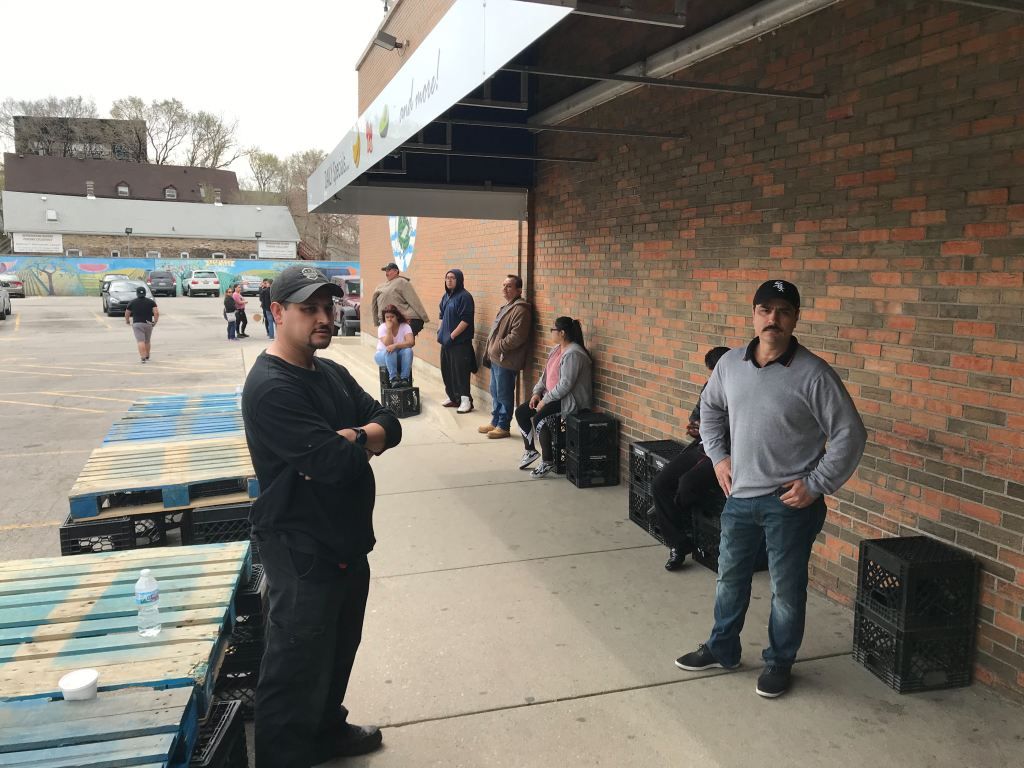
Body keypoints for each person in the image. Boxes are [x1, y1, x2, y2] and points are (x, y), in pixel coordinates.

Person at [241, 265, 402, 767]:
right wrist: (354, 441)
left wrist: (353, 436)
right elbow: (330, 463)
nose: (323, 317)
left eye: (327, 307)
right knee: (295, 665)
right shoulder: (271, 387)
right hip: (301, 547)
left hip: (346, 541)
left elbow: (390, 423)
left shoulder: (328, 371)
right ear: (277, 312)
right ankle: (283, 756)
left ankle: (327, 729)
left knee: (337, 650)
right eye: (308, 308)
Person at [675, 280, 866, 699]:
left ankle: (779, 662)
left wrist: (817, 485)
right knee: (729, 579)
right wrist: (718, 457)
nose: (772, 318)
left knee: (786, 589)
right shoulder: (729, 365)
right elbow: (710, 409)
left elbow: (850, 434)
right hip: (739, 496)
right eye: (765, 309)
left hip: (789, 504)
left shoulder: (814, 374)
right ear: (754, 315)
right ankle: (723, 647)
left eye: (782, 311)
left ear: (795, 318)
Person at [652, 346, 730, 571]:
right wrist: (695, 427)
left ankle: (665, 513)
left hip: (725, 454)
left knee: (687, 483)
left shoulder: (742, 391)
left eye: (716, 371)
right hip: (702, 447)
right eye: (711, 372)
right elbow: (696, 417)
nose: (713, 377)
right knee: (660, 483)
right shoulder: (709, 387)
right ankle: (678, 544)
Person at [514, 316, 592, 478]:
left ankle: (547, 461)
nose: (551, 332)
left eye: (553, 330)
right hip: (550, 395)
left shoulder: (574, 354)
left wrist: (545, 401)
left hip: (567, 401)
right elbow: (545, 376)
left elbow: (566, 385)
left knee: (540, 418)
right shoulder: (556, 350)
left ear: (562, 333)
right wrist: (537, 393)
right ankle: (530, 451)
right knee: (522, 412)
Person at [480, 274, 532, 440]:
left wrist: (498, 346)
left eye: (509, 286)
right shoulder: (507, 307)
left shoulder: (521, 309)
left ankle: (503, 425)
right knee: (495, 391)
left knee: (504, 393)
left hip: (506, 359)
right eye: (503, 285)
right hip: (497, 358)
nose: (505, 289)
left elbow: (518, 336)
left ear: (518, 290)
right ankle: (495, 421)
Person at [437, 268, 476, 413]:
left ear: (459, 280)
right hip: (446, 343)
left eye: (452, 278)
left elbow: (466, 320)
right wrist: (440, 332)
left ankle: (466, 400)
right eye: (447, 277)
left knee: (460, 372)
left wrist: (452, 336)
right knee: (447, 371)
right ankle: (453, 398)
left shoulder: (464, 297)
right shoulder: (446, 296)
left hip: (460, 343)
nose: (449, 280)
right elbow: (441, 315)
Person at [371, 262, 430, 336]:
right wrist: (377, 321)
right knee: (389, 344)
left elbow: (414, 300)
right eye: (385, 271)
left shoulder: (402, 282)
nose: (386, 273)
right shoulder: (383, 285)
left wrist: (424, 317)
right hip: (387, 320)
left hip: (404, 319)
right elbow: (375, 304)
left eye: (389, 270)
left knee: (401, 343)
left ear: (396, 271)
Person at [374, 304, 415, 387]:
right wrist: (389, 329)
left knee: (408, 351)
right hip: (382, 355)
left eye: (392, 317)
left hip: (398, 355)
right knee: (390, 350)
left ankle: (404, 379)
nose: (389, 319)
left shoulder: (405, 326)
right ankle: (393, 379)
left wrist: (395, 346)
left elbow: (411, 342)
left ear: (397, 317)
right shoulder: (382, 327)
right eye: (387, 317)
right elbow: (388, 344)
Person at [125, 286, 158, 363]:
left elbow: (127, 313)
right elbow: (156, 312)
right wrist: (155, 321)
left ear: (136, 293)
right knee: (147, 341)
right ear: (145, 293)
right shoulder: (151, 302)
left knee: (140, 341)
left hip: (137, 324)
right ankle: (147, 355)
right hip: (148, 323)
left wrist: (127, 321)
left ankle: (143, 357)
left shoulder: (132, 302)